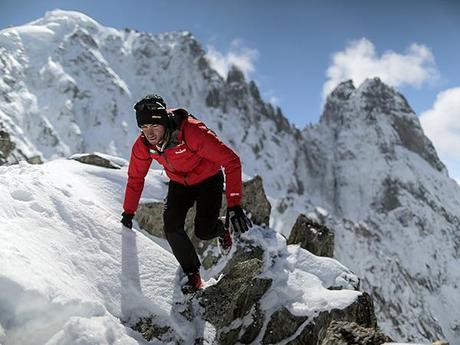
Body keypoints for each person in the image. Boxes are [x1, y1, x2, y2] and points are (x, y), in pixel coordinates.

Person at [121, 94, 252, 292]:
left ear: (164, 122)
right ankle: (193, 274)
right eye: (144, 127)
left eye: (154, 126)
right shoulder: (144, 146)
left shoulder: (191, 131)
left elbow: (231, 161)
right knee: (171, 227)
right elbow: (135, 178)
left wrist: (234, 204)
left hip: (208, 178)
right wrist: (128, 212)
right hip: (179, 183)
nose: (150, 133)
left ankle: (221, 229)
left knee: (203, 230)